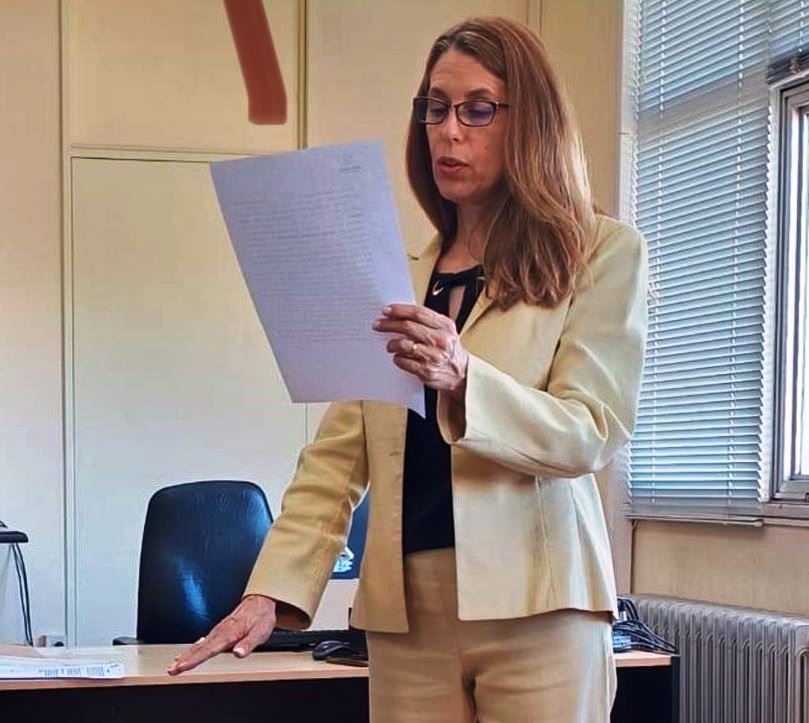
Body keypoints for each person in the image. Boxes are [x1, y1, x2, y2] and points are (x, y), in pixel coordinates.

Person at [169, 15, 648, 723]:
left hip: (539, 606)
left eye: (477, 109)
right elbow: (338, 457)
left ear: (530, 123)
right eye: (435, 107)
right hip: (405, 617)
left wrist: (465, 376)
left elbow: (590, 430)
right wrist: (269, 591)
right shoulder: (396, 275)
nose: (448, 131)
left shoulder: (600, 253)